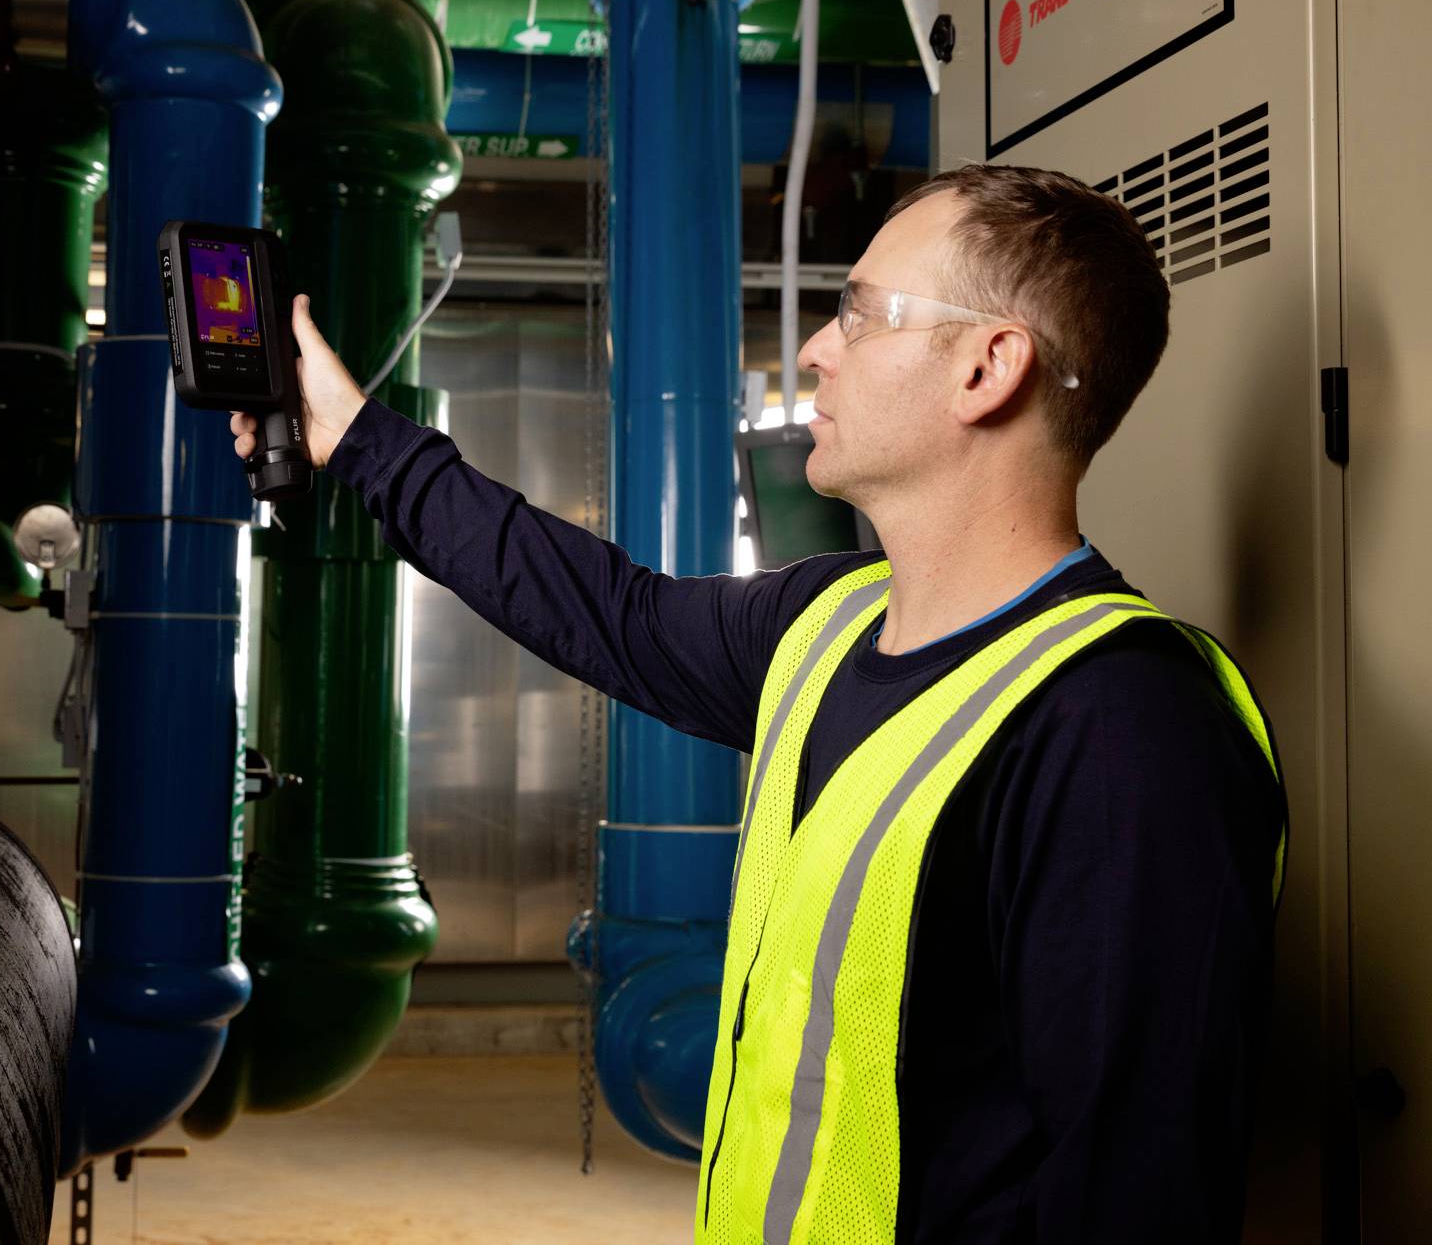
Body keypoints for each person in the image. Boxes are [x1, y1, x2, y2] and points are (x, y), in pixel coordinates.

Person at [228, 164, 1285, 1244]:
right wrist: (354, 439)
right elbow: (603, 610)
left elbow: (1132, 1192)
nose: (818, 348)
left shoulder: (1123, 728)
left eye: (860, 314)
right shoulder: (825, 621)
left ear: (987, 366)